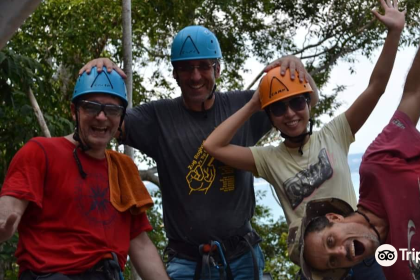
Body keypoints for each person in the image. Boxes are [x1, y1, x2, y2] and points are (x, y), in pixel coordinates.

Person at [80, 25, 312, 279]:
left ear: (218, 69)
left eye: (204, 66)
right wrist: (99, 80)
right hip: (187, 260)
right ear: (175, 74)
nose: (195, 76)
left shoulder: (246, 106)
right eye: (186, 68)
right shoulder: (158, 118)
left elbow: (302, 109)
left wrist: (297, 68)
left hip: (243, 255)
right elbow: (103, 122)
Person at [297, 0, 420, 279]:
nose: (341, 253)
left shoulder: (377, 167)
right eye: (334, 263)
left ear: (335, 219)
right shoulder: (401, 271)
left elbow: (416, 94)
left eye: (330, 242)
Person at [203, 0, 405, 279]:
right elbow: (213, 146)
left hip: (360, 257)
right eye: (277, 108)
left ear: (309, 104)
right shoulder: (269, 158)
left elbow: (376, 88)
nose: (290, 114)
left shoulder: (335, 133)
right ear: (270, 118)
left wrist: (394, 33)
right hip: (317, 268)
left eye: (297, 102)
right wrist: (253, 104)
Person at [0, 67, 169, 280]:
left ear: (121, 118)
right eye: (91, 107)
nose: (101, 117)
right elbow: (10, 208)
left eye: (112, 110)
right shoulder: (40, 151)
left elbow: (140, 244)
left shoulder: (123, 168)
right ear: (74, 111)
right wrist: (4, 225)